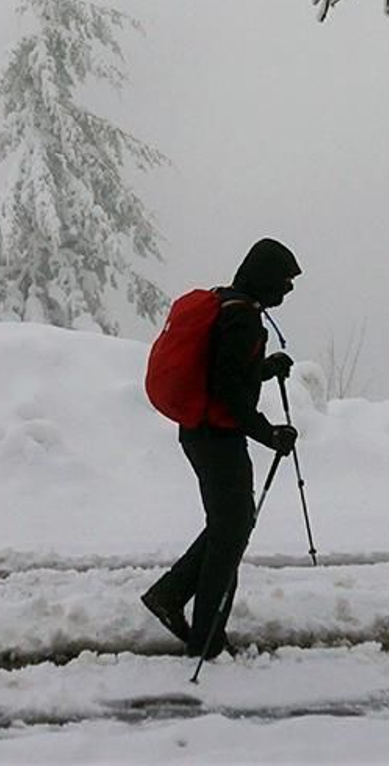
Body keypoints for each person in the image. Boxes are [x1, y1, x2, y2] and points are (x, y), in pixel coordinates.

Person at [141, 236, 302, 659]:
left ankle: (171, 596)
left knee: (229, 525)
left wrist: (265, 369)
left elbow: (227, 373)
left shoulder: (228, 304)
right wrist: (270, 435)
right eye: (285, 281)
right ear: (265, 277)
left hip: (200, 431)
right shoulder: (243, 318)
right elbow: (229, 390)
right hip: (216, 437)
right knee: (232, 531)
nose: (288, 290)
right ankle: (206, 639)